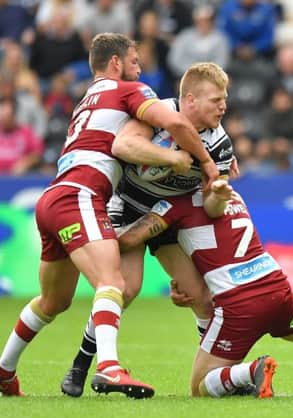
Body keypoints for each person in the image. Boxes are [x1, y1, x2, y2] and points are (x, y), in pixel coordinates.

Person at [0, 32, 218, 398]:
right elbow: (175, 124)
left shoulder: (87, 100)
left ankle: (3, 370)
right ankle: (108, 368)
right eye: (135, 62)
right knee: (113, 283)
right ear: (116, 63)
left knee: (53, 301)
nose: (140, 70)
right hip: (81, 195)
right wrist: (204, 163)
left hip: (53, 197)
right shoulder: (127, 91)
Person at [115, 180, 293, 398]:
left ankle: (250, 371)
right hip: (276, 286)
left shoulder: (175, 206)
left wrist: (91, 234)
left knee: (200, 386)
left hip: (240, 302)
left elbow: (130, 240)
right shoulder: (234, 195)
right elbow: (216, 241)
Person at [61, 62, 235, 397]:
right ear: (190, 100)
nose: (223, 106)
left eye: (224, 99)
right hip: (126, 205)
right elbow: (123, 147)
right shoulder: (158, 114)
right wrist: (170, 158)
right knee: (126, 289)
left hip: (169, 215)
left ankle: (216, 372)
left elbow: (214, 208)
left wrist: (217, 196)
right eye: (216, 99)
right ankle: (80, 365)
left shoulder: (221, 144)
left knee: (200, 296)